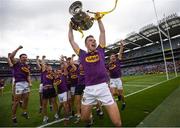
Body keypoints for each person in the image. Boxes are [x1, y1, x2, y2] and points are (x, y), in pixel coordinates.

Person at [68, 13, 122, 126]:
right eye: (90, 40)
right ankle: (90, 119)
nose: (94, 41)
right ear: (86, 44)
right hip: (89, 90)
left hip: (103, 87)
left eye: (94, 40)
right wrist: (70, 27)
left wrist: (99, 19)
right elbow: (71, 41)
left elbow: (102, 32)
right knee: (84, 118)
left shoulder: (100, 50)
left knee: (117, 123)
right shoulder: (82, 54)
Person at [9, 45, 32, 126]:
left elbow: (28, 75)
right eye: (23, 57)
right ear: (20, 58)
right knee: (16, 102)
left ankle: (24, 112)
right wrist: (18, 48)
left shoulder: (27, 66)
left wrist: (30, 82)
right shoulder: (16, 63)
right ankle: (14, 117)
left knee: (26, 99)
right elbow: (11, 56)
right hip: (19, 83)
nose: (25, 58)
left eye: (26, 57)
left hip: (26, 84)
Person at [107, 40, 126, 110]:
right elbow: (107, 73)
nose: (113, 57)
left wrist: (121, 46)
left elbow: (120, 53)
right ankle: (118, 96)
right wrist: (108, 81)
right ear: (110, 58)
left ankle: (123, 103)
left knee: (121, 94)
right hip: (112, 79)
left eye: (114, 56)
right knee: (113, 93)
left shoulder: (118, 61)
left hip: (118, 79)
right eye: (111, 56)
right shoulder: (108, 65)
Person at [40, 56, 59, 124]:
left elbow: (55, 82)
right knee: (44, 104)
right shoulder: (44, 72)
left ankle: (56, 114)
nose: (49, 70)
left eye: (50, 69)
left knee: (54, 103)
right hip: (45, 90)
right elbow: (43, 64)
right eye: (48, 69)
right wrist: (43, 59)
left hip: (51, 90)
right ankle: (45, 117)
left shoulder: (53, 75)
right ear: (46, 69)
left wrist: (53, 84)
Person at [54, 56, 69, 126]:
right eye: (58, 72)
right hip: (59, 93)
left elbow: (65, 67)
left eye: (60, 72)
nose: (59, 73)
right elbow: (54, 83)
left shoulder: (64, 75)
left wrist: (63, 61)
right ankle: (58, 112)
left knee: (65, 105)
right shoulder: (56, 77)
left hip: (64, 92)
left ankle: (66, 119)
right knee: (61, 105)